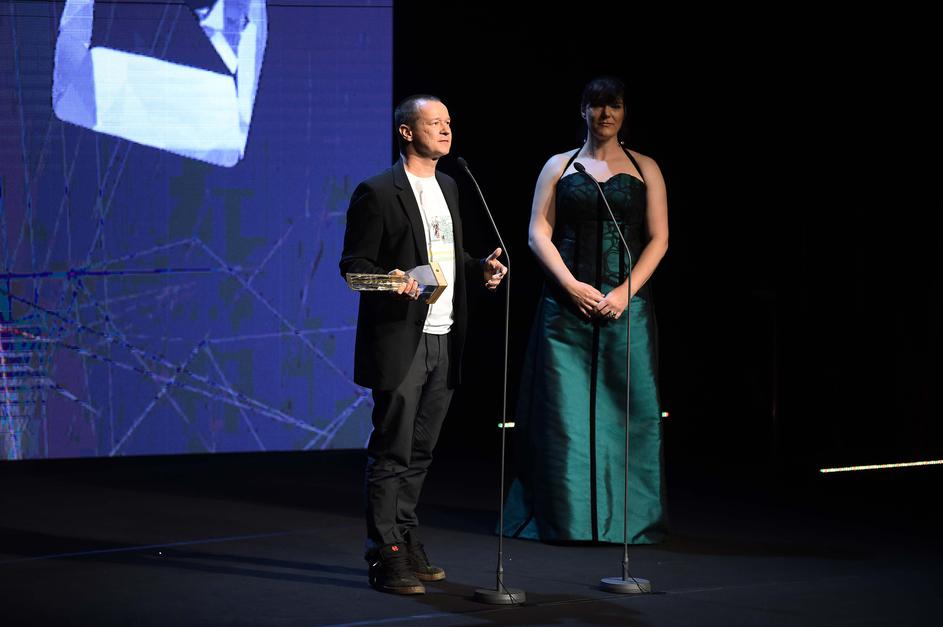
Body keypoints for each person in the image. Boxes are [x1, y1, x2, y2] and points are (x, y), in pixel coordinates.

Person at [339, 95, 507, 594]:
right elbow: (353, 270)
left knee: (421, 451)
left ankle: (406, 537)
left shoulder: (450, 185)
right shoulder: (377, 191)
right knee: (392, 450)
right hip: (401, 339)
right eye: (434, 123)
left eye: (448, 122)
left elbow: (447, 257)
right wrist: (392, 281)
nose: (446, 130)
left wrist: (479, 269)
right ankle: (385, 552)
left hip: (445, 336)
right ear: (407, 132)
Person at [502, 77, 669, 544]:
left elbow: (659, 238)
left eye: (614, 105)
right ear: (583, 110)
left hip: (626, 307)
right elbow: (537, 232)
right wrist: (571, 285)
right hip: (565, 308)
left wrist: (625, 292)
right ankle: (568, 519)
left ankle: (629, 522)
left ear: (624, 112)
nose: (605, 114)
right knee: (565, 417)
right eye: (597, 105)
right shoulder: (559, 165)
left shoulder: (646, 167)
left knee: (630, 413)